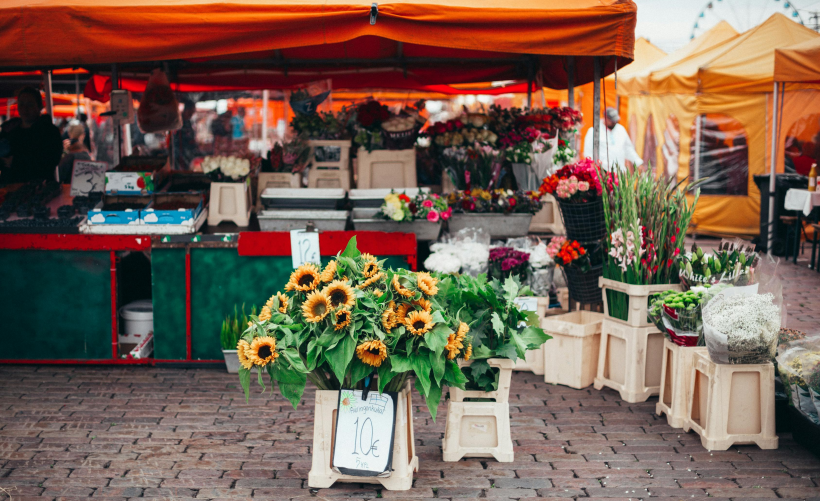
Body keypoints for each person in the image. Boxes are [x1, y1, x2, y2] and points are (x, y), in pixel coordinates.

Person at [0, 86, 63, 183]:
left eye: (30, 104)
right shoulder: (9, 131)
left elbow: (50, 161)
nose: (25, 109)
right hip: (10, 189)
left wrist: (16, 162)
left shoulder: (49, 132)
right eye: (21, 104)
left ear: (39, 107)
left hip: (39, 189)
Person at [583, 107, 643, 172]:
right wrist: (595, 168)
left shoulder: (621, 129)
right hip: (602, 172)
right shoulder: (594, 131)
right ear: (605, 118)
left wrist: (638, 162)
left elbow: (628, 149)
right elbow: (588, 153)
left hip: (619, 172)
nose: (614, 122)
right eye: (612, 121)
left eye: (615, 120)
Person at [174, 100, 199, 170]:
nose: (193, 113)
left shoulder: (188, 121)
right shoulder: (179, 121)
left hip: (187, 153)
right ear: (187, 110)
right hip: (179, 154)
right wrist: (190, 141)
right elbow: (178, 138)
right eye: (192, 111)